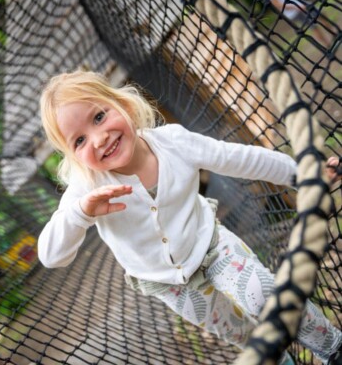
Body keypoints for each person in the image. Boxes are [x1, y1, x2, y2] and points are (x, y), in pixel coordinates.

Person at [37, 70, 342, 364]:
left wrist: (303, 176)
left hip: (211, 244)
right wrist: (80, 213)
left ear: (123, 104)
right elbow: (52, 256)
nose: (98, 139)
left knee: (264, 295)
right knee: (243, 336)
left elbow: (238, 158)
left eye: (99, 116)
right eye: (79, 141)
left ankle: (333, 349)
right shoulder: (86, 187)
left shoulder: (174, 143)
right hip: (169, 284)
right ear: (73, 157)